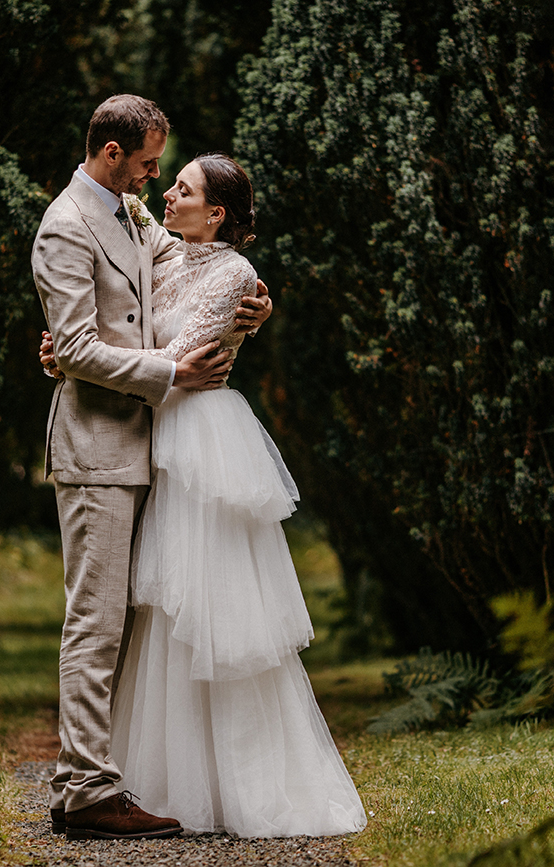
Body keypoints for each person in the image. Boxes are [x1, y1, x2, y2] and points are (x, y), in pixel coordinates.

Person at [45, 154, 368, 838]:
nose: (166, 192)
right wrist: (71, 349)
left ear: (215, 213)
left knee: (212, 609)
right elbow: (130, 316)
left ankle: (239, 783)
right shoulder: (163, 249)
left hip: (201, 443)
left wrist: (91, 352)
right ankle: (153, 777)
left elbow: (182, 354)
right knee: (160, 611)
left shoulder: (236, 276)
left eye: (183, 188)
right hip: (154, 430)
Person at [30, 95, 271, 842]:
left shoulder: (129, 216)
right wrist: (167, 370)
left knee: (120, 625)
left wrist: (252, 304)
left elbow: (188, 273)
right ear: (110, 154)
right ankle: (90, 792)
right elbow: (72, 346)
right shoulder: (65, 227)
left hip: (142, 448)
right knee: (95, 624)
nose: (155, 178)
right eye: (146, 164)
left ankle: (80, 782)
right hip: (98, 451)